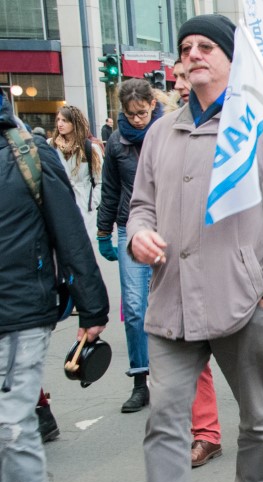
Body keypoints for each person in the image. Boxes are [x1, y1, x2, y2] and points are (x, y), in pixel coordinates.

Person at [116, 14, 263, 482]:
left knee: (257, 414)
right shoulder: (160, 131)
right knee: (165, 417)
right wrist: (139, 237)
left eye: (206, 46)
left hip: (241, 301)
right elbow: (142, 207)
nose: (193, 54)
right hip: (172, 300)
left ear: (231, 58)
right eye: (185, 47)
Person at [0, 86, 110, 482]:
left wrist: (93, 306)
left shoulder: (28, 153)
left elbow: (70, 231)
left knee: (11, 425)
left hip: (21, 310)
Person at [96, 79, 166, 413]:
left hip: (168, 228)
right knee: (136, 308)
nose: (137, 119)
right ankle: (141, 380)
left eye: (142, 112)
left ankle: (173, 376)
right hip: (130, 228)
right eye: (130, 113)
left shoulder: (169, 131)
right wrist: (102, 231)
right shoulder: (116, 142)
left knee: (168, 305)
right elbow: (109, 189)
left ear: (153, 104)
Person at [48, 104, 103, 223]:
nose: (60, 124)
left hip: (84, 203)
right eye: (58, 120)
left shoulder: (90, 148)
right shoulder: (51, 145)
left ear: (75, 123)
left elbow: (100, 181)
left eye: (65, 120)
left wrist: (92, 203)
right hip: (59, 202)